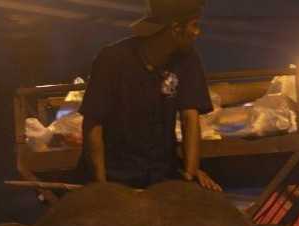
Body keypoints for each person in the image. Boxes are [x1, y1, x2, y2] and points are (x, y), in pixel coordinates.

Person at [79, 0, 221, 191]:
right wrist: (102, 185)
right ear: (175, 28)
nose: (197, 33)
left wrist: (191, 172)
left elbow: (190, 117)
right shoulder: (112, 59)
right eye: (194, 25)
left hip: (161, 173)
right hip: (116, 173)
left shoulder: (186, 59)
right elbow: (92, 123)